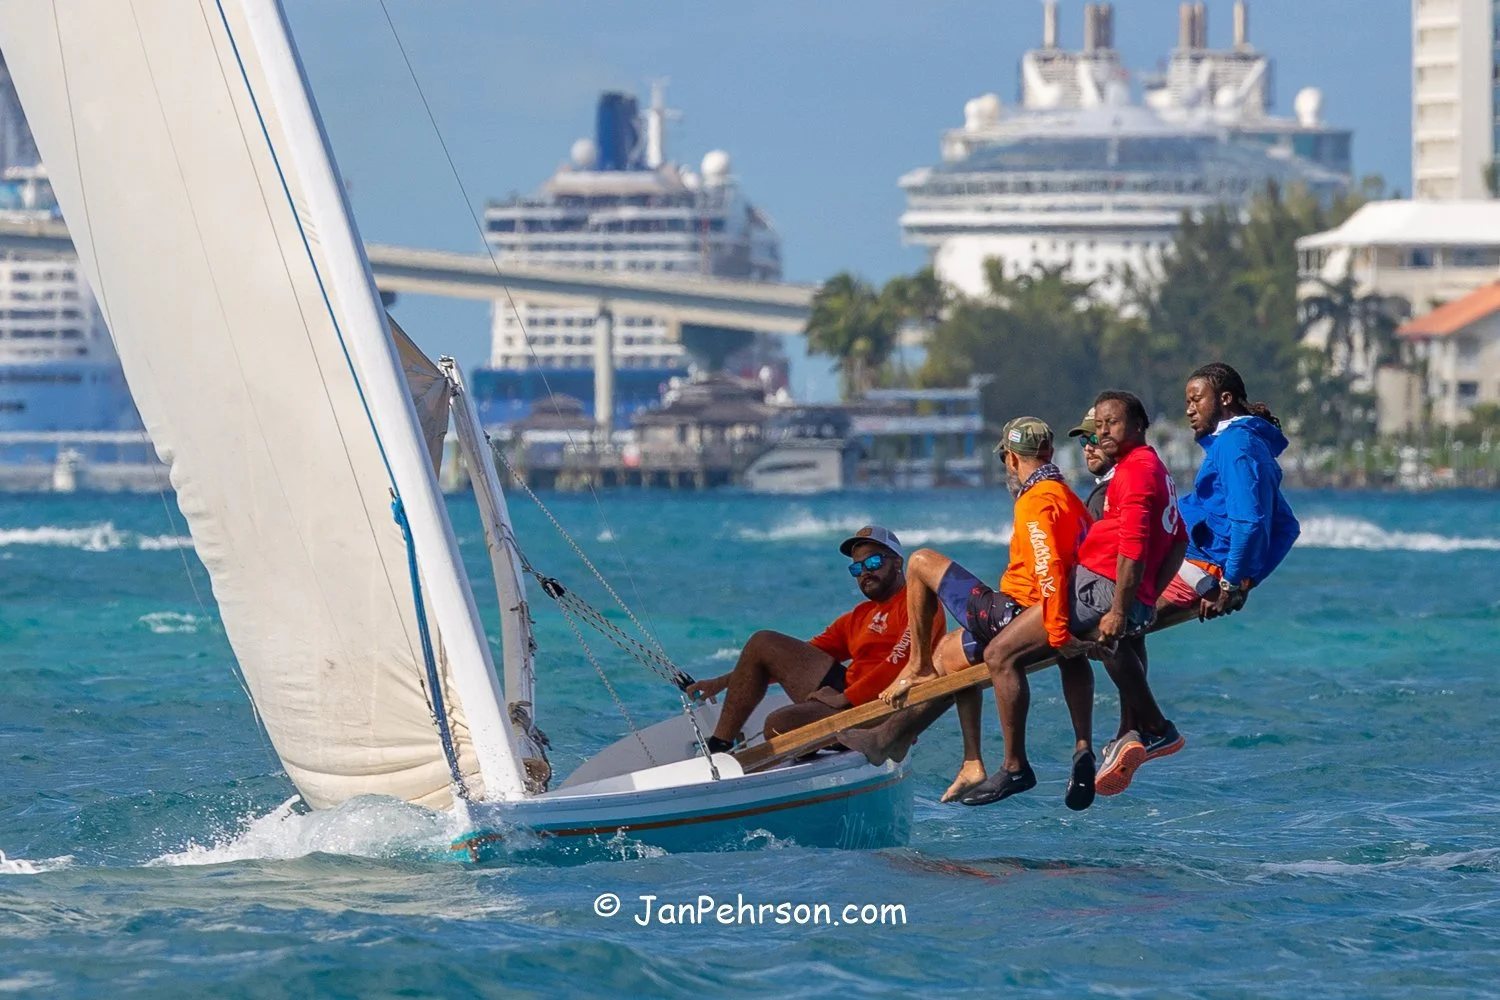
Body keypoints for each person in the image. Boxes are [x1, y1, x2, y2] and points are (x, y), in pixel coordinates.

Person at [841, 418, 1099, 811]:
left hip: (1016, 615)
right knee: (950, 652)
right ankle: (973, 762)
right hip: (1045, 612)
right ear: (1047, 454)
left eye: (1004, 461)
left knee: (921, 562)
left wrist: (1059, 633)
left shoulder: (1035, 500)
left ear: (1013, 460)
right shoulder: (1070, 497)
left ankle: (916, 666)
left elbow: (1047, 568)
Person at [685, 526, 943, 752]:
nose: (865, 572)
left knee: (778, 726)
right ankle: (720, 745)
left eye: (873, 563)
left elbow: (903, 664)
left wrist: (846, 697)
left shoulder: (918, 602)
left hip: (883, 707)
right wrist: (721, 682)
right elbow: (793, 658)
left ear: (898, 562)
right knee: (763, 643)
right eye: (857, 568)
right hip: (848, 698)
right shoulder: (860, 616)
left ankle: (850, 737)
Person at [1158, 362, 1301, 618]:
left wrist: (1230, 584)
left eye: (1196, 400)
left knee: (1109, 625)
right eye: (1187, 402)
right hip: (1204, 568)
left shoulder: (1232, 445)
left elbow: (1248, 522)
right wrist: (1247, 582)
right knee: (1125, 641)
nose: (1189, 410)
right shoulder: (1252, 443)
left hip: (1193, 566)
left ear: (1225, 398)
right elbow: (1287, 527)